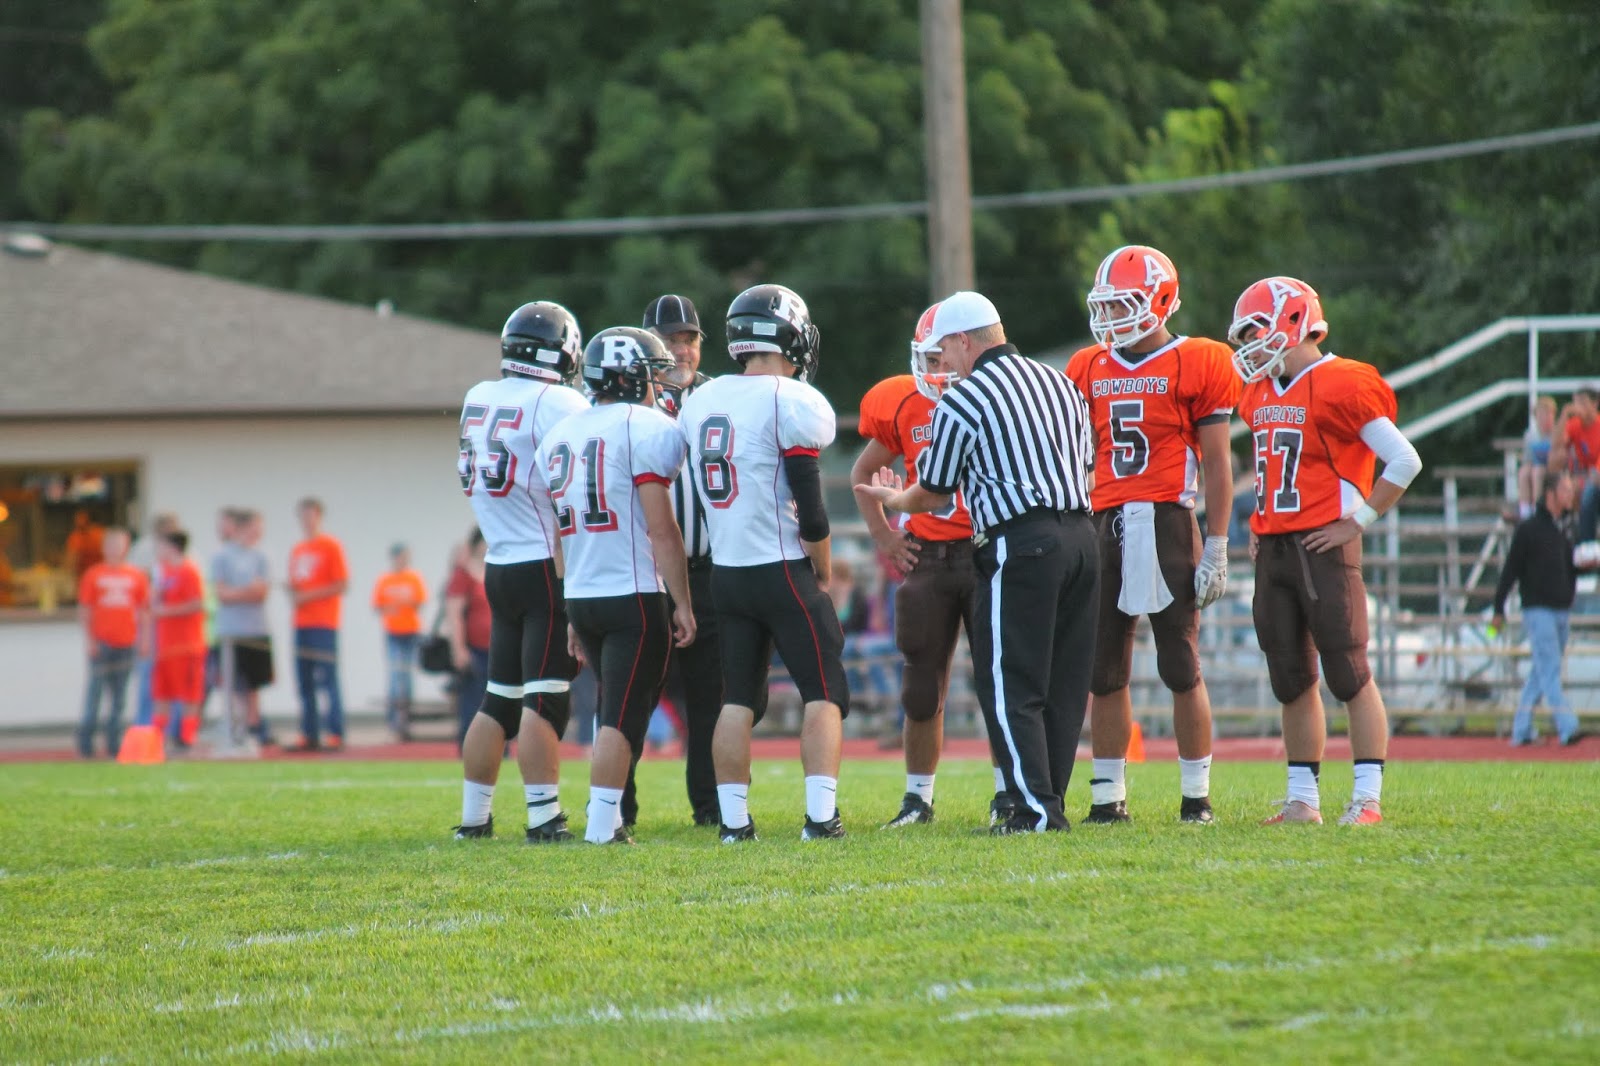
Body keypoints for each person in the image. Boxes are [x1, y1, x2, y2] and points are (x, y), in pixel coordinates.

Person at [858, 290, 1098, 835]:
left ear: (965, 340)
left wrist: (894, 502)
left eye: (944, 352)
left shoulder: (968, 397)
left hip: (1022, 541)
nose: (942, 366)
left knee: (1012, 682)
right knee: (1062, 683)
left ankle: (1031, 810)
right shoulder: (1060, 382)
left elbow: (934, 491)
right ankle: (1045, 800)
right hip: (1083, 536)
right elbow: (1084, 463)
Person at [1229, 276, 1422, 827]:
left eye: (1254, 331)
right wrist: (1260, 523)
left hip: (1323, 545)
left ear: (1292, 323)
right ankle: (1302, 800)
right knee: (1290, 678)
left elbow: (1404, 460)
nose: (1248, 344)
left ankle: (1366, 799)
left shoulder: (1341, 381)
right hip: (1274, 549)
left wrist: (1358, 520)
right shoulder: (1262, 390)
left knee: (1349, 672)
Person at [1064, 245, 1241, 826]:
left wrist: (1217, 543)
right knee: (1103, 669)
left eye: (1124, 304)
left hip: (1168, 519)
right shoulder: (1088, 365)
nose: (1112, 317)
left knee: (1180, 665)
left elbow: (1217, 462)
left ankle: (1197, 798)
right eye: (1107, 305)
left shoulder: (1199, 360)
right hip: (1103, 521)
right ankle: (1107, 798)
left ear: (1159, 301)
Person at [679, 283, 848, 843]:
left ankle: (733, 824)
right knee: (824, 692)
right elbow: (815, 514)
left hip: (727, 574)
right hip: (781, 566)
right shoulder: (790, 399)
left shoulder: (701, 400)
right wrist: (821, 570)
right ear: (790, 337)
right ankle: (821, 819)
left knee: (736, 699)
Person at [536, 326, 695, 844]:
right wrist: (683, 602)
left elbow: (560, 537)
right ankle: (603, 825)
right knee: (620, 718)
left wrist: (566, 613)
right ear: (634, 378)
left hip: (583, 595)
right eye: (653, 374)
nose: (659, 385)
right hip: (632, 593)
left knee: (616, 709)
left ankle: (608, 819)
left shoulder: (561, 434)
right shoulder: (645, 427)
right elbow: (663, 530)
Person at [852, 302, 995, 827]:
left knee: (999, 682)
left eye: (944, 355)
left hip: (985, 552)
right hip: (929, 559)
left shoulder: (996, 396)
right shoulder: (901, 401)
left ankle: (1008, 791)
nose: (938, 369)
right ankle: (917, 800)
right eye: (929, 358)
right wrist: (884, 539)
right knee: (919, 686)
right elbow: (864, 471)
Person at [452, 301, 589, 842]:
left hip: (499, 562)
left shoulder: (478, 397)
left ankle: (473, 818)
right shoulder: (559, 401)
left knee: (497, 697)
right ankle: (543, 815)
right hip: (543, 565)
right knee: (544, 696)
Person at [645, 292, 726, 828]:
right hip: (645, 574)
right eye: (670, 339)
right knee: (632, 697)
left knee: (714, 700)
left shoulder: (722, 395)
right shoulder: (621, 396)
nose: (681, 350)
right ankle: (612, 807)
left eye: (689, 339)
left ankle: (711, 805)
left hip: (712, 569)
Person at [1493, 471, 1593, 746]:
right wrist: (1498, 607)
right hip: (1539, 610)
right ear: (1551, 494)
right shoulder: (1529, 529)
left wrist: (1583, 566)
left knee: (1541, 671)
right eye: (1565, 490)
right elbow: (1511, 569)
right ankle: (1567, 726)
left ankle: (1521, 729)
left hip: (1561, 608)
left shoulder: (1565, 527)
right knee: (1550, 669)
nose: (1570, 495)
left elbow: (1569, 567)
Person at [76, 527, 148, 757]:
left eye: (121, 544)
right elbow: (85, 609)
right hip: (102, 642)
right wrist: (90, 640)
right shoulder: (93, 575)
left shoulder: (136, 576)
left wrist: (144, 640)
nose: (117, 549)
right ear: (104, 547)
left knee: (120, 697)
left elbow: (144, 610)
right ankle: (86, 742)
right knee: (94, 693)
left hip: (126, 642)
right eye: (112, 544)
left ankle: (114, 743)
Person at [287, 498, 349, 752]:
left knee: (328, 679)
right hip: (301, 622)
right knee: (304, 681)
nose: (307, 521)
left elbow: (341, 584)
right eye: (303, 516)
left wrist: (307, 596)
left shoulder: (330, 546)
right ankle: (309, 732)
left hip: (324, 623)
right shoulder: (298, 549)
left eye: (311, 515)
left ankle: (335, 731)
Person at [211, 508, 276, 746]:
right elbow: (221, 593)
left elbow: (261, 592)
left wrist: (238, 592)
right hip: (230, 632)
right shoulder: (221, 557)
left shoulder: (262, 557)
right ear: (240, 528)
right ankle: (234, 728)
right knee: (232, 684)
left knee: (254, 685)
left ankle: (254, 727)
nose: (258, 533)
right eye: (254, 528)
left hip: (257, 630)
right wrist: (246, 591)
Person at [150, 530, 206, 750]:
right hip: (165, 646)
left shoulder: (189, 571)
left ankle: (187, 737)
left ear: (173, 547)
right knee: (162, 693)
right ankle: (157, 739)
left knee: (190, 694)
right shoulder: (162, 573)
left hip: (187, 645)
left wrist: (166, 611)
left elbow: (196, 603)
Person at [128, 511, 180, 730]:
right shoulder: (142, 551)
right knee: (149, 679)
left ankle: (173, 729)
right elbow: (134, 585)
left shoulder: (185, 554)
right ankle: (145, 726)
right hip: (150, 625)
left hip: (176, 629)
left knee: (174, 681)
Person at [372, 543, 428, 741]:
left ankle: (406, 721)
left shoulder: (413, 578)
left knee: (407, 678)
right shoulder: (385, 580)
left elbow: (420, 601)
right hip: (393, 633)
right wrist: (392, 608)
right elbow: (378, 605)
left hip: (411, 632)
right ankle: (394, 720)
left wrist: (400, 605)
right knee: (395, 678)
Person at [445, 530, 492, 750]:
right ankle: (469, 747)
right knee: (472, 700)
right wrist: (459, 648)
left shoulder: (496, 568)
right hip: (475, 648)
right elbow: (454, 612)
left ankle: (498, 748)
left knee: (499, 699)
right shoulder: (464, 574)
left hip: (498, 648)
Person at [1550, 387, 1600, 542]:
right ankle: (1555, 526)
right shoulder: (1574, 424)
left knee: (1589, 493)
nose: (1577, 406)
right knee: (1556, 457)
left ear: (1595, 404)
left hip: (1595, 474)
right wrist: (1564, 414)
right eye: (1576, 402)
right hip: (1586, 474)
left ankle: (1587, 544)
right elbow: (1556, 445)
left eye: (1583, 402)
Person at [1516, 397, 1558, 520]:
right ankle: (1525, 513)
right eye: (1540, 415)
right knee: (1524, 472)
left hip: (1553, 468)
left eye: (1547, 414)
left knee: (1537, 472)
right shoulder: (1531, 435)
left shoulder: (1557, 433)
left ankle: (1537, 510)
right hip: (1536, 465)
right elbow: (1527, 458)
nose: (1544, 418)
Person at [64, 508, 106, 583]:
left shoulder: (77, 537)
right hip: (104, 579)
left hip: (85, 580)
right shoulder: (105, 534)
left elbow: (70, 563)